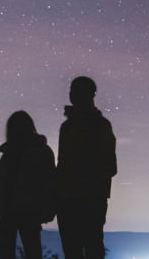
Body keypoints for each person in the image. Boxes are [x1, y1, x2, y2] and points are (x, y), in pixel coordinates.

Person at [56, 76, 117, 259]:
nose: (74, 94)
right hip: (68, 199)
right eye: (72, 90)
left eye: (79, 90)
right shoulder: (67, 127)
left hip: (89, 199)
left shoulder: (100, 125)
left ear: (92, 94)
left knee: (91, 248)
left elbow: (109, 165)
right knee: (73, 250)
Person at [0, 111, 56, 259]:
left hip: (28, 211)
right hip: (6, 211)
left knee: (32, 251)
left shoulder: (41, 151)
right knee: (9, 253)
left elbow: (50, 183)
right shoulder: (8, 154)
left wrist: (48, 210)